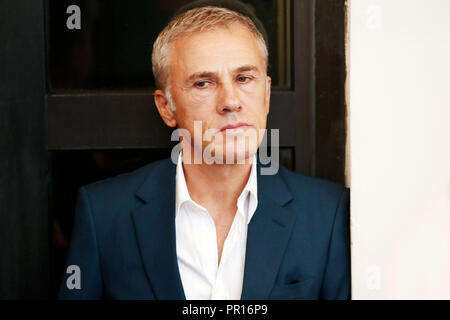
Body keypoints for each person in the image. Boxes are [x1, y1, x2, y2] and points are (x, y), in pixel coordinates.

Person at [59, 3, 350, 300]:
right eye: (203, 83)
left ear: (266, 93)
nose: (230, 101)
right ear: (166, 107)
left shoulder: (328, 213)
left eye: (244, 78)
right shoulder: (105, 214)